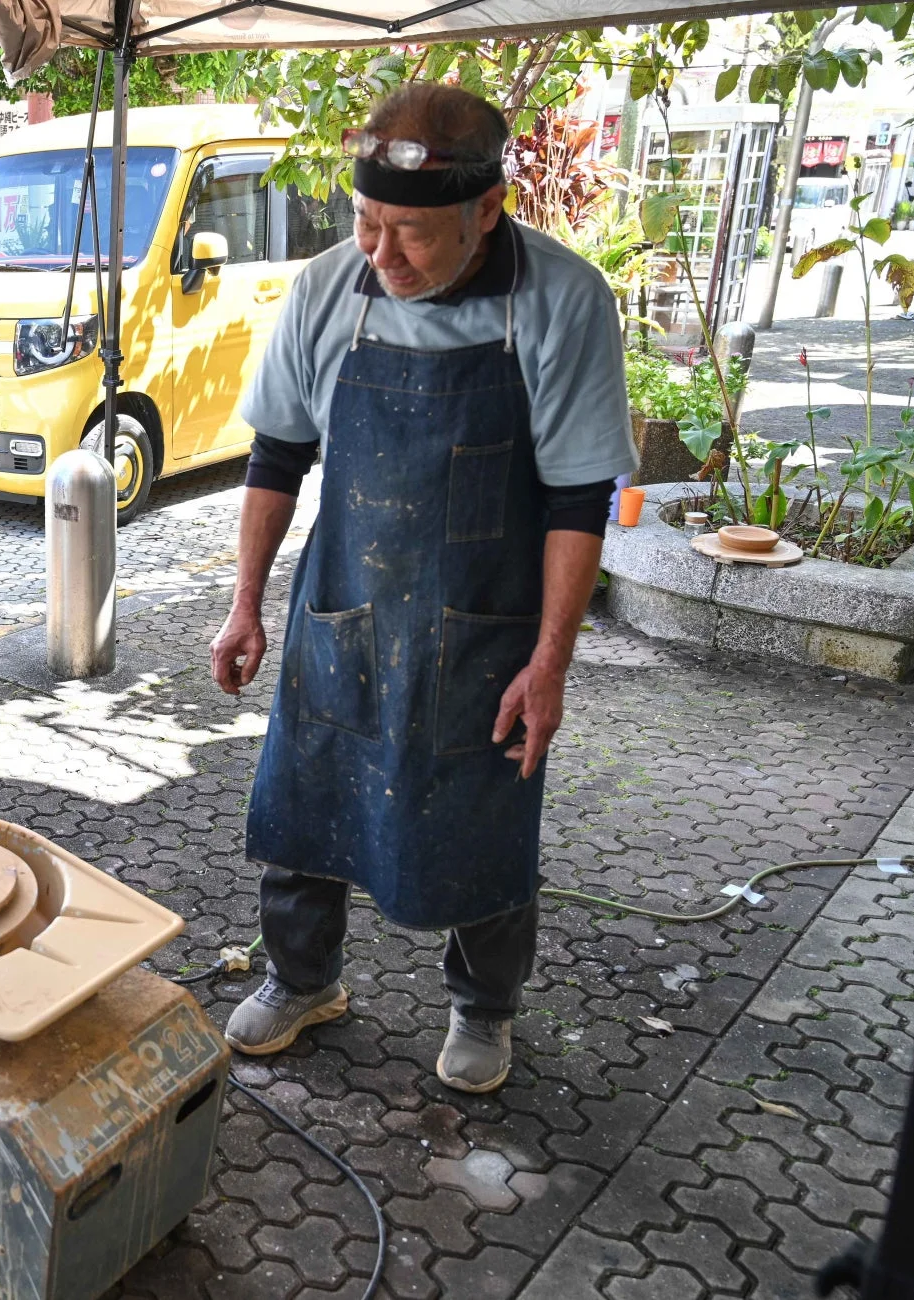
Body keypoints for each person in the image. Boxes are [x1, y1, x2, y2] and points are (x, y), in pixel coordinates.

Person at [209, 84, 637, 1094]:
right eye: (366, 223)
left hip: (487, 623)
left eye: (411, 233)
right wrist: (245, 601)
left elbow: (578, 498)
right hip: (344, 604)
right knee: (305, 801)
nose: (382, 254)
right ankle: (301, 976)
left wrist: (550, 661)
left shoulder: (564, 303)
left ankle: (485, 1007)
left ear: (487, 211)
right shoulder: (328, 290)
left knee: (485, 820)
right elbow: (277, 456)